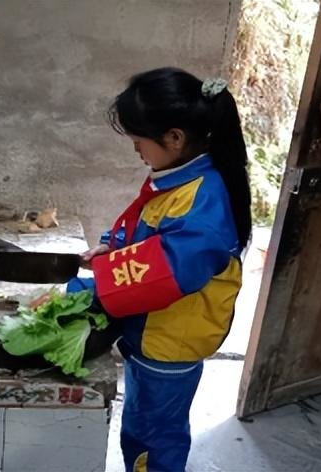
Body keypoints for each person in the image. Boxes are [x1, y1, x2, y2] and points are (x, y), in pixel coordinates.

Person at [67, 67, 252, 472]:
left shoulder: (203, 202)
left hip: (170, 341)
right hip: (151, 333)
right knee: (140, 427)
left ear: (174, 138)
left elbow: (165, 271)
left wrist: (87, 292)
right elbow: (144, 227)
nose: (136, 149)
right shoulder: (179, 178)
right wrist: (111, 246)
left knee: (156, 437)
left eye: (139, 141)